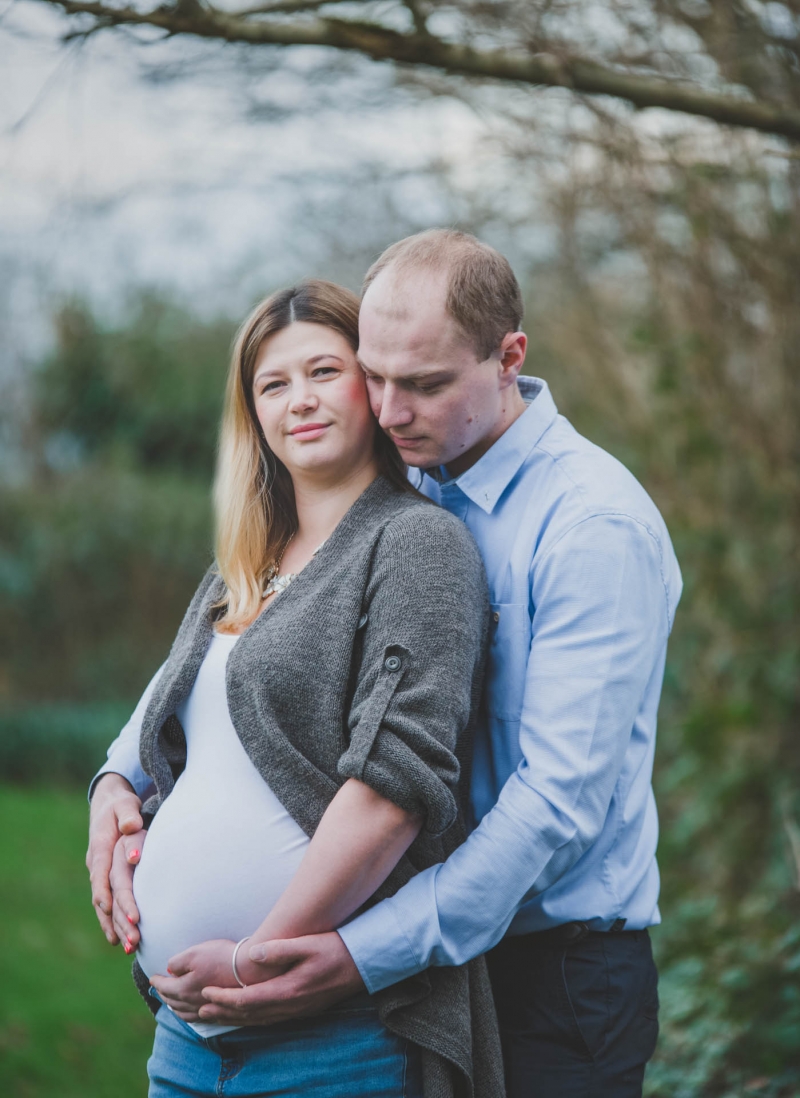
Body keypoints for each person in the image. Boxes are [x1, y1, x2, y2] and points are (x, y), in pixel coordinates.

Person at [90, 230, 683, 1097]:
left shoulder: (591, 526)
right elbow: (221, 658)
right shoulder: (414, 475)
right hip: (416, 962)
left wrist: (348, 956)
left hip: (552, 969)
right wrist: (117, 778)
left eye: (426, 384)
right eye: (375, 375)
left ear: (509, 356)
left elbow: (555, 803)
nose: (392, 409)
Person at [89, 278, 504, 1098]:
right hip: (186, 1040)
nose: (300, 401)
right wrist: (112, 784)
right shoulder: (245, 567)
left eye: (324, 370)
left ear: (373, 384)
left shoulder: (416, 544)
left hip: (331, 1038)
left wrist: (256, 966)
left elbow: (395, 789)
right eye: (273, 384)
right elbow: (165, 722)